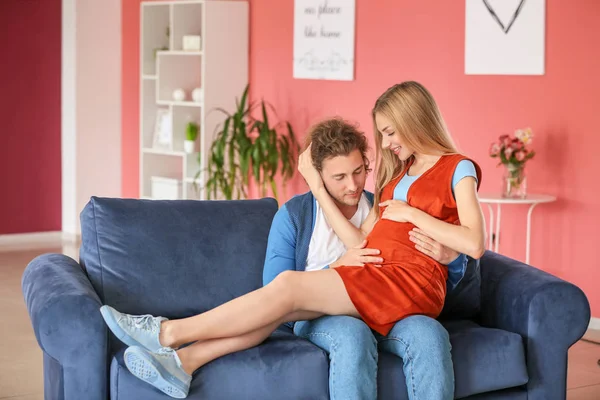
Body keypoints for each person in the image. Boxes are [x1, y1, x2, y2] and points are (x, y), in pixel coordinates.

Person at [100, 81, 485, 399]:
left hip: (405, 282)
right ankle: (182, 363)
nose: (384, 145)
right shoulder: (395, 180)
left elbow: (475, 243)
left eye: (388, 133)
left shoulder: (457, 167)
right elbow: (358, 242)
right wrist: (317, 189)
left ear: (413, 121)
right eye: (381, 135)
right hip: (378, 275)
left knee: (287, 290)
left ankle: (168, 333)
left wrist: (417, 220)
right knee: (282, 297)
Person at [262, 118, 463, 399]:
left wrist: (452, 259)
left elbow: (429, 272)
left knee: (429, 334)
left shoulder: (382, 206)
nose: (353, 185)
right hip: (323, 315)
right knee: (353, 335)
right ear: (317, 176)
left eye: (358, 172)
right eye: (339, 177)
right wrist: (334, 268)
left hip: (386, 308)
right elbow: (273, 292)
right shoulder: (295, 216)